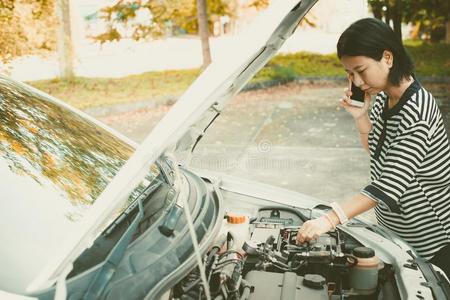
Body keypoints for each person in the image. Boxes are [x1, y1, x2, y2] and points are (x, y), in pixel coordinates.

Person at [296, 18, 450, 277]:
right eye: (350, 74)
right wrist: (361, 116)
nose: (356, 81)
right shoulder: (383, 99)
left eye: (360, 70)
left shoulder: (419, 110)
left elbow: (389, 184)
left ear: (387, 58)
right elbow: (376, 151)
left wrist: (330, 219)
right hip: (399, 232)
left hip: (432, 239)